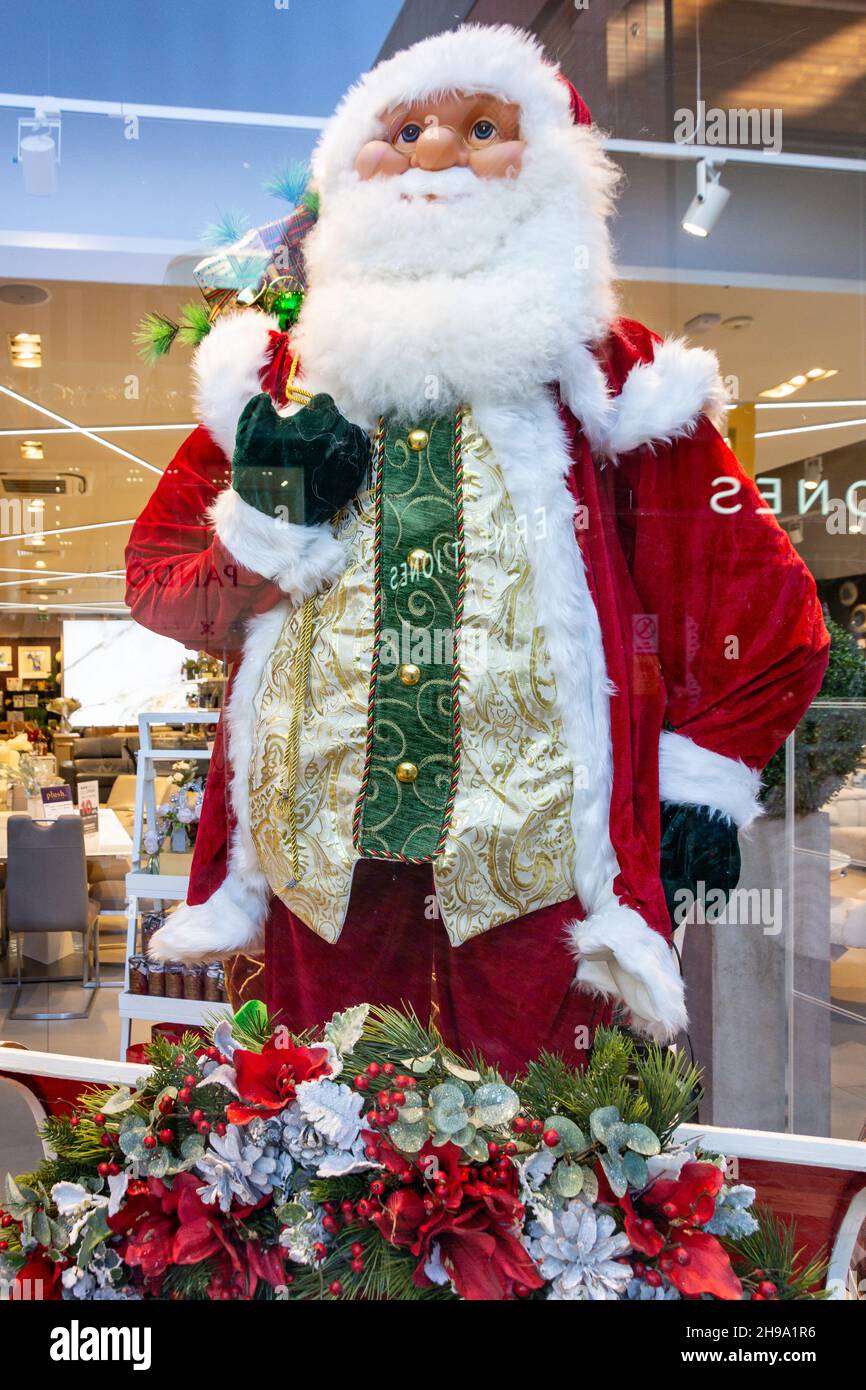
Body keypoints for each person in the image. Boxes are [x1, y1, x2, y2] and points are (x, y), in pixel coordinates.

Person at [125, 24, 828, 1071]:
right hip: (318, 879)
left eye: (481, 128)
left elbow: (761, 612)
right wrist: (274, 525)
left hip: (538, 878)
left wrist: (697, 785)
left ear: (547, 165)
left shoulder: (608, 379)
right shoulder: (278, 383)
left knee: (546, 1171)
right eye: (402, 129)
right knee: (325, 1161)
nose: (435, 154)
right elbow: (160, 584)